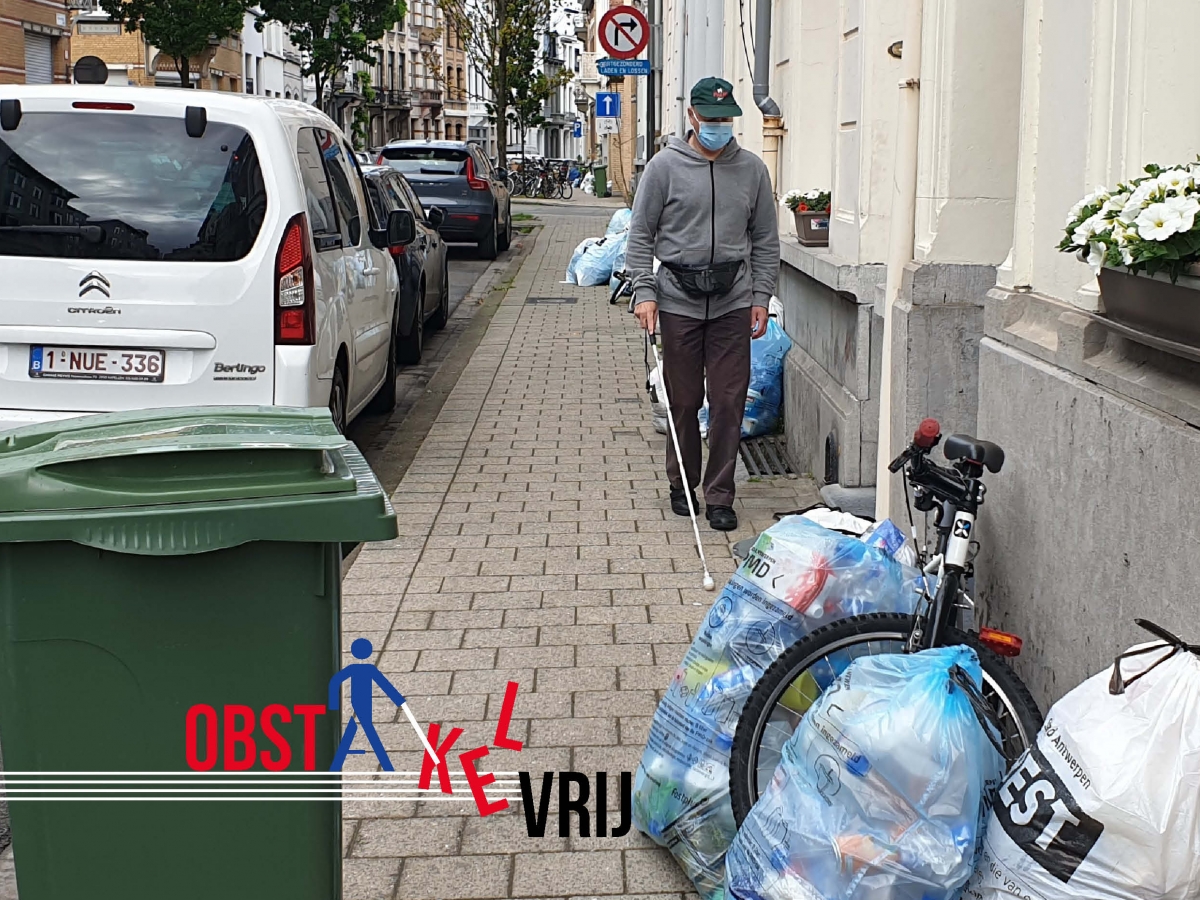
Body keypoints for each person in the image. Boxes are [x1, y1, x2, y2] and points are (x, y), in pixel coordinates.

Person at [625, 77, 780, 532]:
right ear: (692, 117)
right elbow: (640, 236)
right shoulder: (663, 168)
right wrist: (644, 292)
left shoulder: (751, 170)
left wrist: (760, 297)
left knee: (729, 401)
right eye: (710, 119)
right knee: (684, 400)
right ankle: (682, 485)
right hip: (677, 299)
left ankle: (719, 495)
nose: (718, 127)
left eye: (725, 120)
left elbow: (766, 240)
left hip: (733, 300)